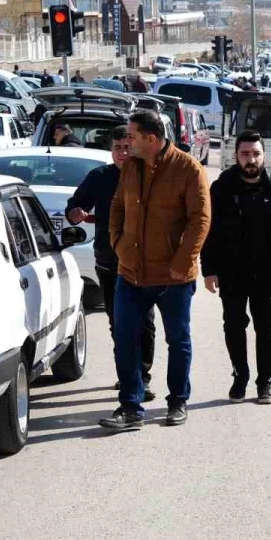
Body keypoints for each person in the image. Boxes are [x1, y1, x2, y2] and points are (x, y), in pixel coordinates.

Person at [101, 110, 211, 431]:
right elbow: (118, 206)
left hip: (173, 277)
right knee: (124, 337)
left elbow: (199, 220)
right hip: (131, 272)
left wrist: (181, 261)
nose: (126, 143)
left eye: (132, 137)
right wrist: (118, 243)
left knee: (177, 339)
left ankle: (177, 401)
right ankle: (130, 405)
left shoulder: (188, 169)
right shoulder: (132, 167)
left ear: (151, 139)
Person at [201, 132, 271, 405]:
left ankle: (265, 383)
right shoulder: (222, 187)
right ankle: (240, 376)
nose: (251, 159)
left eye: (256, 154)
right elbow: (208, 232)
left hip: (267, 272)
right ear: (236, 156)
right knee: (234, 327)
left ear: (264, 156)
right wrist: (209, 269)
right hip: (232, 273)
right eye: (245, 154)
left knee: (266, 330)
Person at [66, 126, 157, 401]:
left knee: (145, 321)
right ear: (111, 150)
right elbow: (75, 205)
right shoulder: (100, 177)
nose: (123, 153)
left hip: (145, 262)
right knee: (118, 321)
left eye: (128, 147)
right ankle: (127, 375)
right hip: (109, 262)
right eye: (117, 148)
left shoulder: (149, 175)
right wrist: (76, 213)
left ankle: (143, 376)